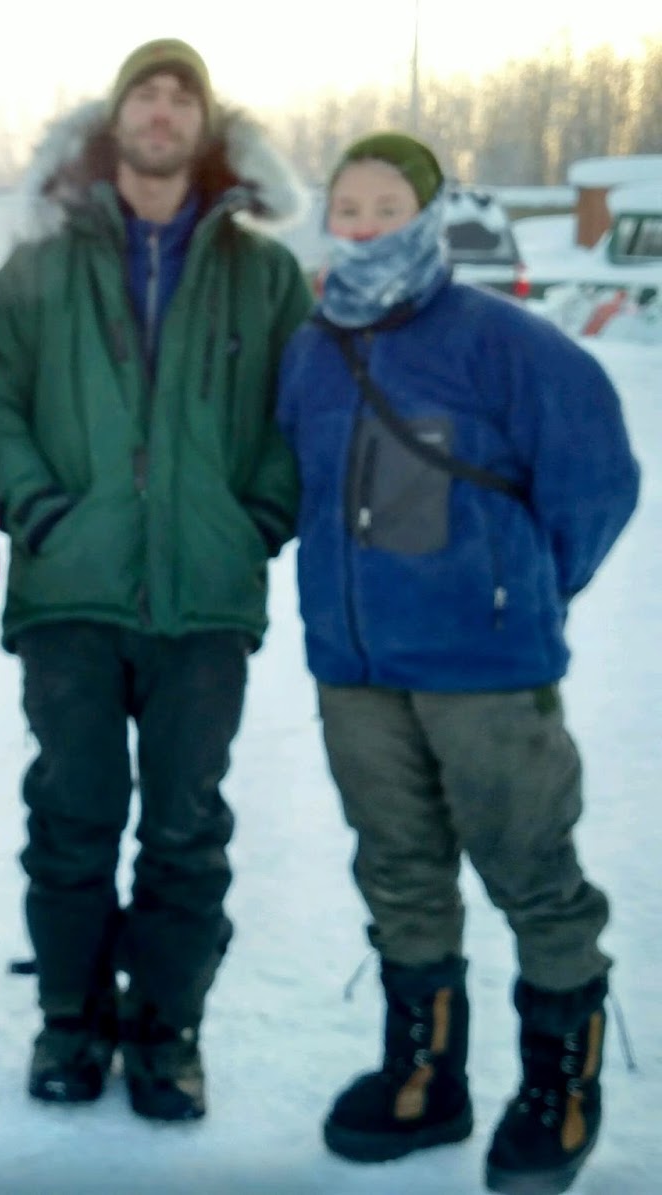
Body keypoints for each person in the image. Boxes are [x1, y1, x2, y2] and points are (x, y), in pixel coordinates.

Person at [276, 131, 639, 1194]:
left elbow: (596, 480)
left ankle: (559, 1089)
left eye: (386, 206)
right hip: (356, 673)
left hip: (485, 674)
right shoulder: (310, 349)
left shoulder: (500, 340)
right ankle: (425, 1076)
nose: (363, 226)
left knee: (531, 871)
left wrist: (520, 590)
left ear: (426, 218)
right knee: (398, 869)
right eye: (347, 208)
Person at [0, 37, 312, 1122]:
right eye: (144, 95)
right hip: (70, 590)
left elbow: (302, 410)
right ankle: (70, 1021)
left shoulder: (263, 273)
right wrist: (34, 505)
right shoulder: (41, 262)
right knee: (71, 817)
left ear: (206, 127)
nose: (162, 112)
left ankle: (167, 1032)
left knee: (185, 827)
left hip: (203, 598)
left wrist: (256, 517)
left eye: (181, 97)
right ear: (113, 121)